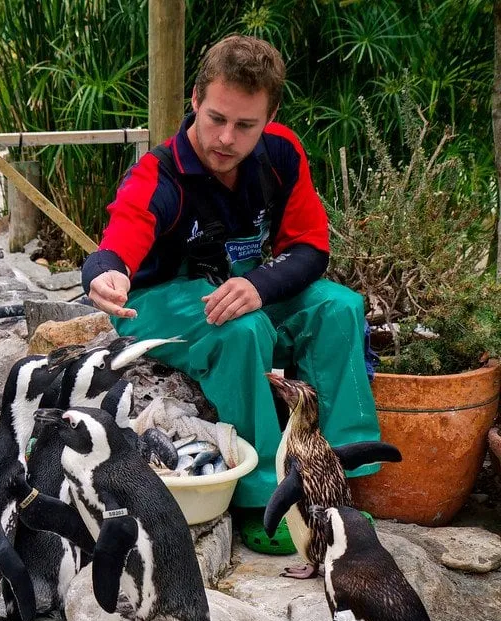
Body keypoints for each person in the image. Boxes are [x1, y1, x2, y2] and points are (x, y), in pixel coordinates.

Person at [81, 35, 381, 518]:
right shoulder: (157, 173)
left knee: (341, 307)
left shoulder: (281, 154)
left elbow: (310, 247)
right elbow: (120, 238)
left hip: (240, 288)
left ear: (270, 117)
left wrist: (260, 285)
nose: (226, 138)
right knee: (242, 329)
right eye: (217, 118)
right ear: (195, 100)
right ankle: (264, 498)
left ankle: (347, 474)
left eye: (246, 125)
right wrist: (106, 273)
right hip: (158, 302)